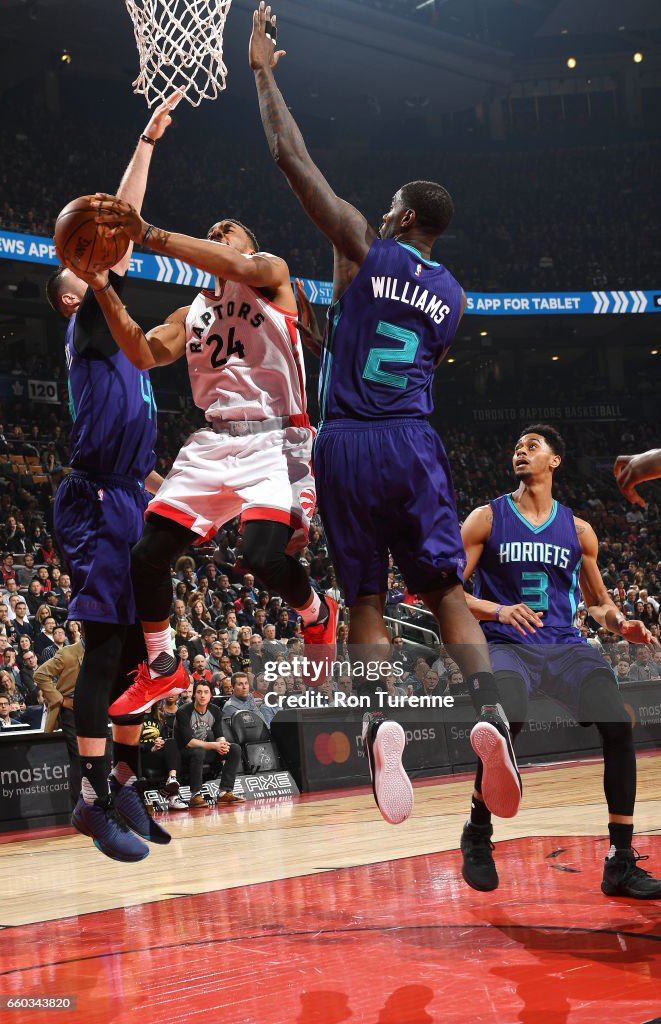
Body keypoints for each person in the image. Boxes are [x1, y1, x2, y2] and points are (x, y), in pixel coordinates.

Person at [248, 1, 520, 827]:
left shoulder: (360, 243)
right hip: (410, 437)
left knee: (362, 598)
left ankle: (377, 717)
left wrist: (262, 71)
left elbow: (293, 161)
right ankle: (491, 713)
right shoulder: (454, 297)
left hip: (347, 443)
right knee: (440, 590)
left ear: (401, 217)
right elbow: (398, 347)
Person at [75, 179, 342, 725]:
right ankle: (164, 663)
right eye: (213, 231)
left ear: (247, 246)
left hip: (277, 440)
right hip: (213, 442)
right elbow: (146, 354)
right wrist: (103, 287)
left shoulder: (270, 276)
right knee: (145, 557)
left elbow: (241, 265)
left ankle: (317, 612)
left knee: (261, 558)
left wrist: (146, 235)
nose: (219, 231)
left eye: (231, 230)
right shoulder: (190, 313)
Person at [45, 91, 183, 863]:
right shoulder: (88, 316)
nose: (114, 260)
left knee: (140, 650)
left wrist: (158, 482)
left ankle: (125, 774)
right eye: (98, 262)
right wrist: (145, 145)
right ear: (75, 280)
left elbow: (116, 238)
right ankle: (90, 797)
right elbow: (117, 232)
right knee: (104, 650)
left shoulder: (122, 341)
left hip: (131, 492)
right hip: (95, 500)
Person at [459, 424, 661, 899]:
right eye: (516, 447)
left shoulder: (577, 529)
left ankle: (620, 860)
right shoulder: (485, 518)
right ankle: (478, 830)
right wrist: (498, 609)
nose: (520, 452)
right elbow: (449, 594)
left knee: (617, 723)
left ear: (555, 461)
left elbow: (598, 603)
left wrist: (620, 624)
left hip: (565, 645)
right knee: (509, 719)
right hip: (507, 643)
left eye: (532, 446)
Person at [173, 680, 244, 806]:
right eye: (199, 692)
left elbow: (219, 735)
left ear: (211, 695)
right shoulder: (183, 712)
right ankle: (195, 795)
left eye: (206, 692)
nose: (202, 695)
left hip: (205, 750)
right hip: (183, 752)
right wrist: (214, 745)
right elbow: (189, 742)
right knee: (199, 751)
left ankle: (224, 792)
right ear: (194, 694)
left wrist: (222, 745)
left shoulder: (215, 711)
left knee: (234, 749)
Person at [33, 640, 83, 806]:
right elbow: (40, 674)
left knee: (101, 757)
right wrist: (61, 700)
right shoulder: (67, 652)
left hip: (95, 708)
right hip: (72, 711)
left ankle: (99, 803)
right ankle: (80, 807)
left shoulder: (102, 651)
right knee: (79, 757)